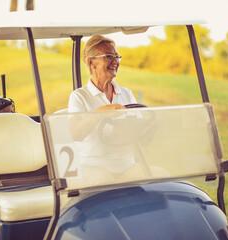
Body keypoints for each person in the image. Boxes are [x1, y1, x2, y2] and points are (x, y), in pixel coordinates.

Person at [66, 35, 168, 188]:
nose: (115, 61)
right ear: (90, 62)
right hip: (92, 167)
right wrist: (101, 113)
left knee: (163, 176)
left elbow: (141, 141)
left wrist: (151, 127)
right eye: (108, 57)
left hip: (126, 167)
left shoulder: (126, 94)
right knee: (107, 183)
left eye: (117, 57)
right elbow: (75, 133)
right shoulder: (79, 96)